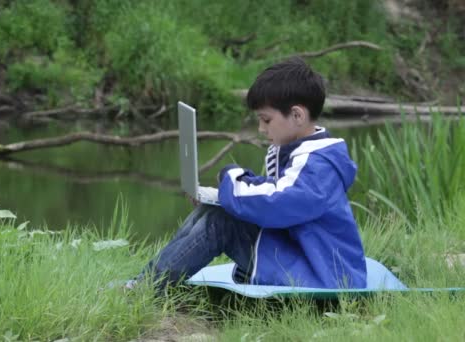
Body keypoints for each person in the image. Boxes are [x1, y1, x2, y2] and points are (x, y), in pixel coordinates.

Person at [128, 57, 367, 292]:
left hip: (325, 274)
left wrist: (230, 177)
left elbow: (278, 201)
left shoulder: (319, 164)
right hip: (302, 256)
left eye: (266, 120)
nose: (262, 129)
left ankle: (146, 290)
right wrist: (219, 197)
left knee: (220, 223)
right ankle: (146, 282)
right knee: (215, 210)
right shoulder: (302, 153)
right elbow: (278, 188)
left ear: (297, 115)